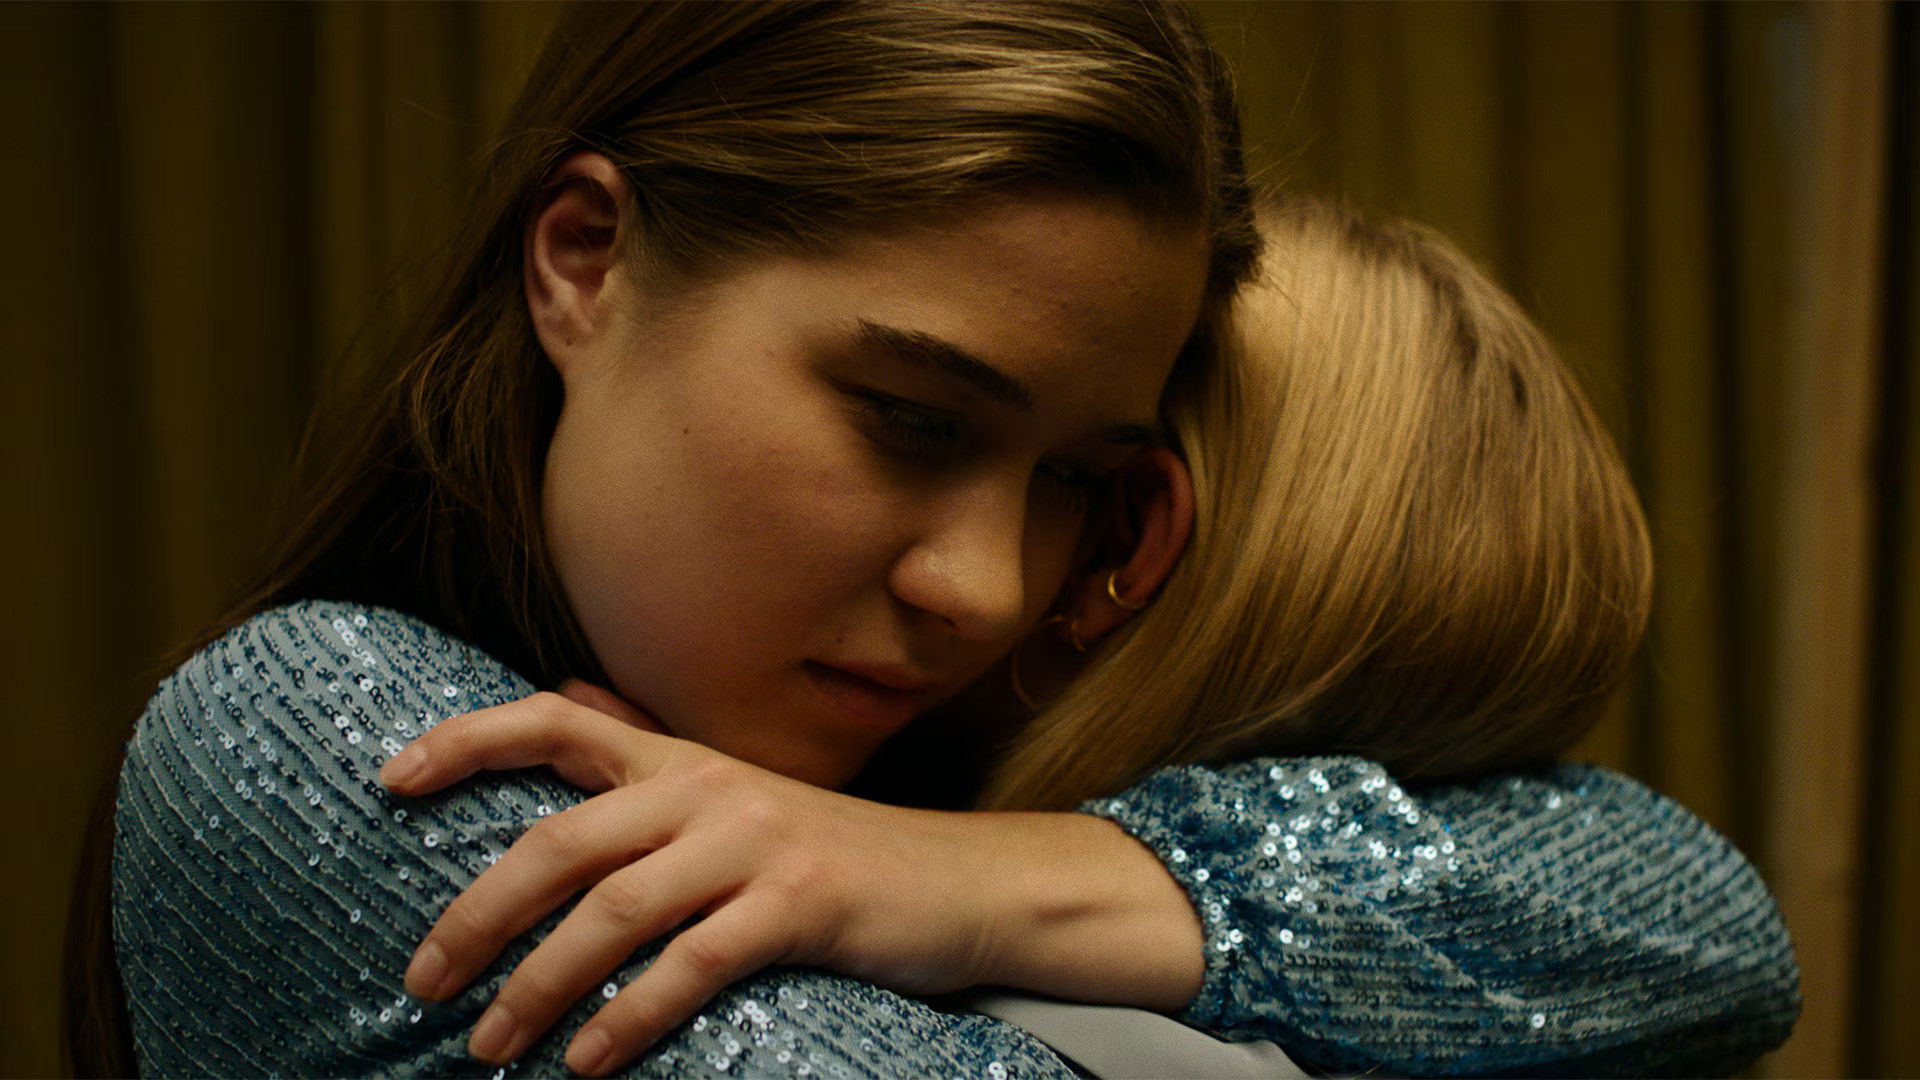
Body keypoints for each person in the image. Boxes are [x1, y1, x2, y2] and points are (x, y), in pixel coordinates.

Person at [67, 3, 1797, 1078]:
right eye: (909, 417)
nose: (987, 589)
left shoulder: (903, 791)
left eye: (1079, 485)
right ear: (585, 259)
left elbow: (1701, 925)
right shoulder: (321, 737)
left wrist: (952, 880)